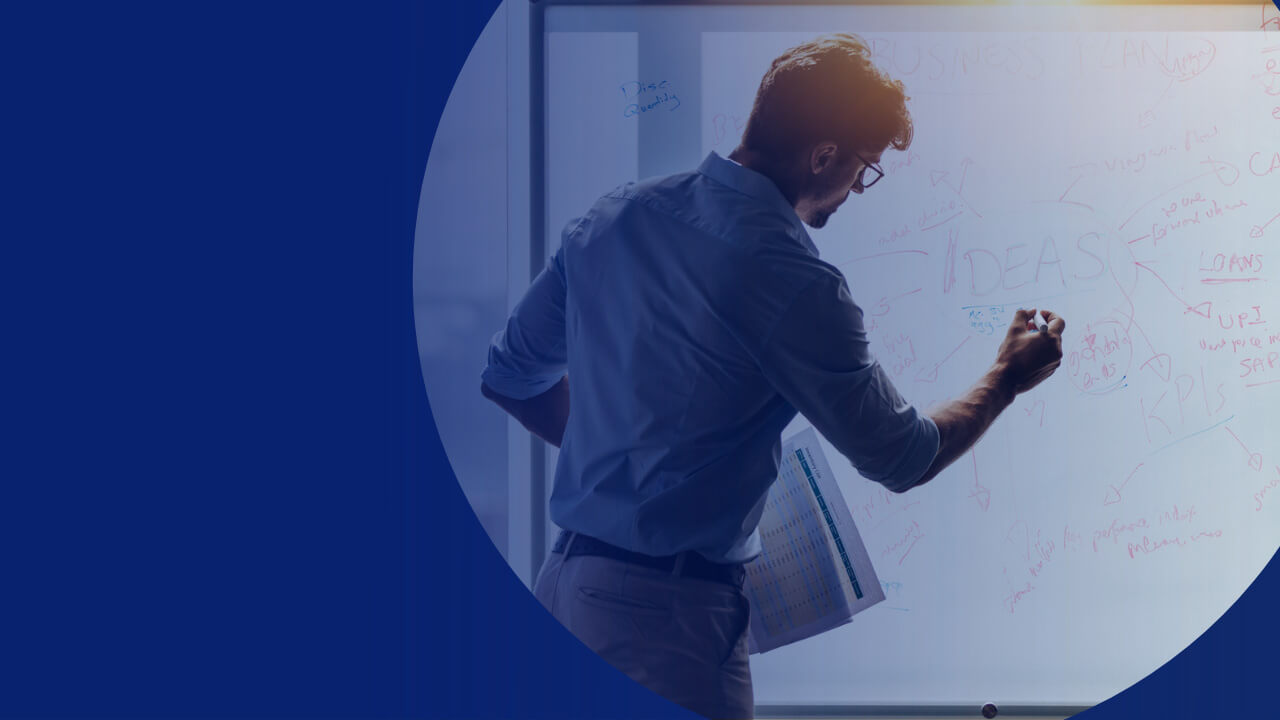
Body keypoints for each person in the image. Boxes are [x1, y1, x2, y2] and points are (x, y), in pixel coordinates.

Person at [480, 34, 1064, 720]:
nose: (855, 189)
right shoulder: (790, 277)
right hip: (666, 622)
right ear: (824, 155)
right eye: (863, 169)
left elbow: (512, 377)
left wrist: (636, 467)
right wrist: (1005, 377)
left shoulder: (614, 217)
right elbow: (903, 457)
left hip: (562, 591)